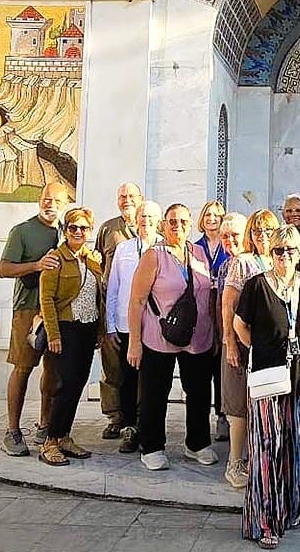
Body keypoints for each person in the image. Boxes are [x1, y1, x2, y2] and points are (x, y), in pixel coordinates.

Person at [233, 228, 300, 549]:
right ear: (270, 253)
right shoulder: (256, 285)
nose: (285, 256)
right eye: (278, 250)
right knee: (267, 448)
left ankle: (294, 508)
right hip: (267, 377)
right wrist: (261, 349)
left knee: (299, 444)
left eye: (291, 250)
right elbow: (239, 325)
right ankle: (265, 521)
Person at [128, 204, 219, 471]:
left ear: (190, 224)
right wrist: (134, 341)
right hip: (160, 335)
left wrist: (215, 332)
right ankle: (152, 446)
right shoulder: (153, 256)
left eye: (182, 221)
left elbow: (208, 293)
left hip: (197, 336)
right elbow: (137, 300)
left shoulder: (198, 253)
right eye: (172, 221)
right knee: (155, 392)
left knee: (199, 391)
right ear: (164, 225)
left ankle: (197, 443)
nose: (177, 226)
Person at [0, 182, 70, 457]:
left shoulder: (65, 231)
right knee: (23, 368)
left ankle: (45, 425)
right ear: (40, 200)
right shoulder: (23, 231)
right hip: (28, 310)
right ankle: (13, 431)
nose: (51, 205)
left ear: (65, 204)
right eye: (47, 199)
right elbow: (3, 269)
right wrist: (37, 265)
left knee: (52, 371)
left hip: (56, 311)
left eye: (57, 201)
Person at [36, 207, 106, 466]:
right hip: (66, 328)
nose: (78, 232)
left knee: (78, 384)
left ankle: (64, 436)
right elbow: (46, 299)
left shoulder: (92, 259)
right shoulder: (55, 258)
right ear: (65, 230)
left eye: (83, 228)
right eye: (73, 227)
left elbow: (99, 297)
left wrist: (100, 331)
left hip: (88, 328)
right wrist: (53, 335)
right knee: (65, 386)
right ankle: (50, 441)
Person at [104, 199, 161, 453]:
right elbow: (113, 287)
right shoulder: (124, 248)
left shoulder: (164, 248)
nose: (145, 221)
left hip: (156, 326)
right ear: (135, 220)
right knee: (128, 378)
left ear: (158, 221)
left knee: (152, 380)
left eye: (150, 217)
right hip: (126, 324)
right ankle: (129, 428)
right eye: (142, 216)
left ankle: (148, 428)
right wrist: (111, 325)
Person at [95, 183, 145, 441]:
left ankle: (138, 418)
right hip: (113, 309)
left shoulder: (152, 227)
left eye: (131, 196)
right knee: (113, 366)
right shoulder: (108, 229)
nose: (127, 200)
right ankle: (115, 417)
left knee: (140, 369)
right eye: (122, 196)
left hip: (145, 313)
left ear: (141, 199)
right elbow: (97, 264)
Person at [216, 211, 258, 488]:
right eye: (224, 236)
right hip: (237, 344)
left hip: (253, 343)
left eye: (234, 234)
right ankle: (235, 463)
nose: (229, 240)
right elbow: (227, 305)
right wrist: (230, 342)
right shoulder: (239, 263)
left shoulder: (247, 260)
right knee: (237, 405)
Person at [197, 200, 235, 441]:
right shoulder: (194, 246)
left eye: (216, 216)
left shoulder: (228, 245)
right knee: (203, 367)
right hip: (202, 312)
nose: (212, 219)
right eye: (208, 215)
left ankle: (223, 416)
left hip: (223, 311)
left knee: (222, 368)